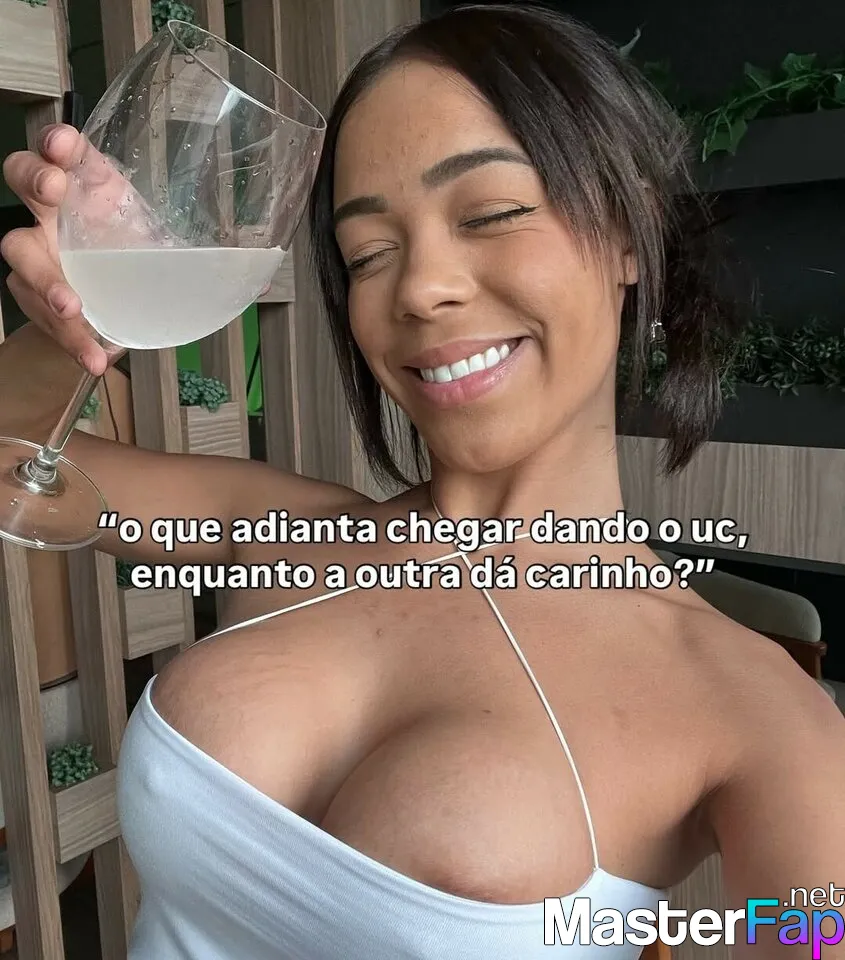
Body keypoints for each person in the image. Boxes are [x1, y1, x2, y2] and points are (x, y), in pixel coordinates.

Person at [2, 4, 844, 958]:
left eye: (489, 214)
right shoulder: (288, 530)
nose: (418, 288)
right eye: (368, 253)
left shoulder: (756, 713)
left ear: (628, 229)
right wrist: (65, 323)